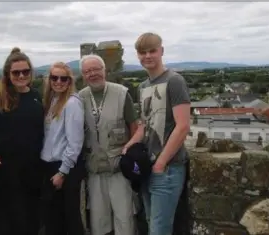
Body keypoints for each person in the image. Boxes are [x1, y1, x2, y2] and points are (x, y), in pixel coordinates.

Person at [125, 32, 191, 235]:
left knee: (159, 229)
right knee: (151, 222)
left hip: (168, 168)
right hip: (147, 166)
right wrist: (129, 146)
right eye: (142, 52)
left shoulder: (174, 81)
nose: (147, 56)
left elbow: (182, 126)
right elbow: (144, 125)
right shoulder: (143, 87)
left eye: (152, 50)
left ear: (161, 51)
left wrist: (161, 163)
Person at [0, 47, 45, 235]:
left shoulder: (36, 96)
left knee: (33, 218)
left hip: (33, 168)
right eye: (16, 72)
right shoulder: (1, 98)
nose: (22, 75)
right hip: (8, 170)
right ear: (8, 74)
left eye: (26, 71)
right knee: (11, 220)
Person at [78, 54, 140, 235]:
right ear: (83, 75)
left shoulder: (122, 94)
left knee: (125, 219)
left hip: (119, 169)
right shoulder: (79, 98)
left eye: (96, 69)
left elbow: (135, 128)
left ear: (105, 70)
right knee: (99, 223)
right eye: (87, 71)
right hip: (94, 170)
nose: (92, 74)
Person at [40, 61, 86, 235]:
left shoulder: (72, 103)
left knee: (69, 219)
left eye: (63, 78)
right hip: (50, 166)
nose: (58, 81)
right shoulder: (52, 101)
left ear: (69, 81)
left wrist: (62, 172)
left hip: (64, 168)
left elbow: (75, 142)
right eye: (54, 77)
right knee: (53, 219)